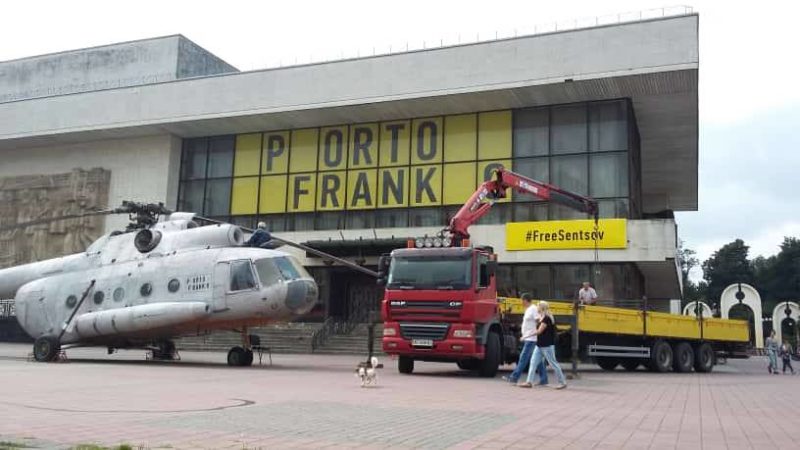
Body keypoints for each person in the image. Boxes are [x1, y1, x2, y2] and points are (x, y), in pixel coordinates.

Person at [519, 301, 566, 390]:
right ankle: (529, 382)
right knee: (533, 362)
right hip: (540, 345)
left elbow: (539, 331)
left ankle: (562, 382)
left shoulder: (547, 318)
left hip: (547, 346)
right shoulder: (542, 317)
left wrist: (525, 336)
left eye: (538, 306)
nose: (537, 307)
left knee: (553, 363)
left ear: (541, 308)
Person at [502, 294, 547, 385]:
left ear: (526, 300)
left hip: (531, 338)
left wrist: (537, 332)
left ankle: (514, 378)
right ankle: (544, 379)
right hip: (529, 338)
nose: (521, 302)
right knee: (537, 360)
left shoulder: (533, 309)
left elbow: (540, 321)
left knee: (523, 358)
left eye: (522, 300)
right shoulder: (529, 309)